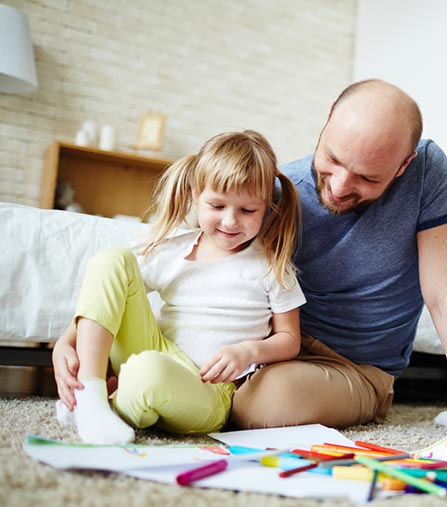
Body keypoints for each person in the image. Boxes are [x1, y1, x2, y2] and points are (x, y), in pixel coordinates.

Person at [53, 79, 447, 459]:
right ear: (327, 119)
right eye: (331, 159)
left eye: (367, 178)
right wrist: (72, 336)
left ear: (403, 166)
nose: (337, 185)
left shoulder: (427, 175)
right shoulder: (271, 194)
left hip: (351, 368)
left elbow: (445, 296)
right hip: (263, 354)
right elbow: (183, 264)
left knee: (257, 410)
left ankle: (359, 399)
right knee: (231, 392)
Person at [54, 130, 305, 444]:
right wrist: (66, 342)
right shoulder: (173, 250)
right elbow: (110, 291)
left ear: (267, 206)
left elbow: (289, 339)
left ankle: (110, 405)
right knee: (112, 259)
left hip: (208, 390)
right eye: (217, 206)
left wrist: (248, 351)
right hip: (157, 350)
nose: (230, 222)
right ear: (196, 195)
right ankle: (90, 395)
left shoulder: (272, 265)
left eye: (247, 211)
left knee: (147, 372)